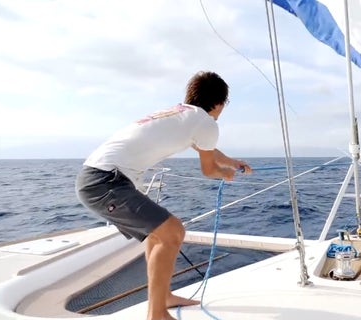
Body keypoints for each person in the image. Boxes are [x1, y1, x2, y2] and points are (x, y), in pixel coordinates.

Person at [75, 71, 252, 320]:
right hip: (105, 181)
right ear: (219, 103)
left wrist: (232, 162)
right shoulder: (206, 123)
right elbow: (208, 168)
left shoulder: (181, 115)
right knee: (172, 232)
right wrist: (226, 173)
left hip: (98, 177)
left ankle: (164, 298)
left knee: (157, 235)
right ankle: (156, 314)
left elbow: (202, 146)